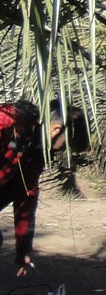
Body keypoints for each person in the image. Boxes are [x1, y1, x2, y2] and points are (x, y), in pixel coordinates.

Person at [0, 99, 65, 277]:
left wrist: (23, 251)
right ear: (55, 128)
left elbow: (25, 202)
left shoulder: (29, 153)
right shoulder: (6, 120)